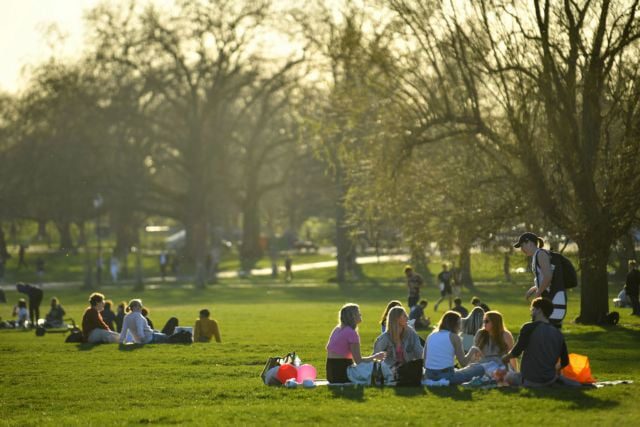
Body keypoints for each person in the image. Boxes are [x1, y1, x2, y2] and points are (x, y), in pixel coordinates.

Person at [503, 297, 570, 387]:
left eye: (533, 309)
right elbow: (565, 361)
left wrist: (503, 358)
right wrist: (554, 371)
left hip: (530, 380)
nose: (531, 313)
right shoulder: (558, 333)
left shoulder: (529, 327)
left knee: (504, 376)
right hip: (549, 380)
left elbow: (516, 352)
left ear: (539, 310)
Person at [514, 232, 567, 328]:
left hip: (553, 298)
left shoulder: (540, 254)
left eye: (522, 246)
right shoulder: (536, 255)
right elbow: (544, 278)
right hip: (548, 298)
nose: (521, 250)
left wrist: (538, 293)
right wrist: (533, 289)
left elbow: (548, 276)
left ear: (529, 243)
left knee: (550, 332)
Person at [325, 303, 386, 383]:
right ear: (352, 316)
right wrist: (375, 357)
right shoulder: (351, 333)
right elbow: (358, 361)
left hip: (331, 374)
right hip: (342, 374)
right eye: (358, 312)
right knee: (374, 366)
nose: (360, 314)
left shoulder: (337, 329)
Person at [423, 311, 484, 384]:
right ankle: (442, 381)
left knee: (456, 370)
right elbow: (463, 363)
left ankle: (434, 381)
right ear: (456, 324)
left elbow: (424, 361)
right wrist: (473, 349)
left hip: (429, 375)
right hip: (447, 375)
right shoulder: (454, 337)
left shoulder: (431, 336)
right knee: (480, 368)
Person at [374, 306, 423, 384]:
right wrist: (385, 355)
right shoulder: (384, 338)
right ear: (397, 319)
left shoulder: (411, 333)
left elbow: (419, 352)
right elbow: (375, 360)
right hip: (390, 370)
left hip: (407, 367)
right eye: (404, 315)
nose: (407, 317)